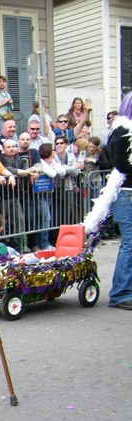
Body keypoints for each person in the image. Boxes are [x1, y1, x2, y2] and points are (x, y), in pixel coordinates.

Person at [106, 92, 132, 309]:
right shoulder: (122, 131)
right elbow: (121, 164)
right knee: (130, 244)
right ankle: (120, 294)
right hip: (125, 194)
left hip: (128, 193)